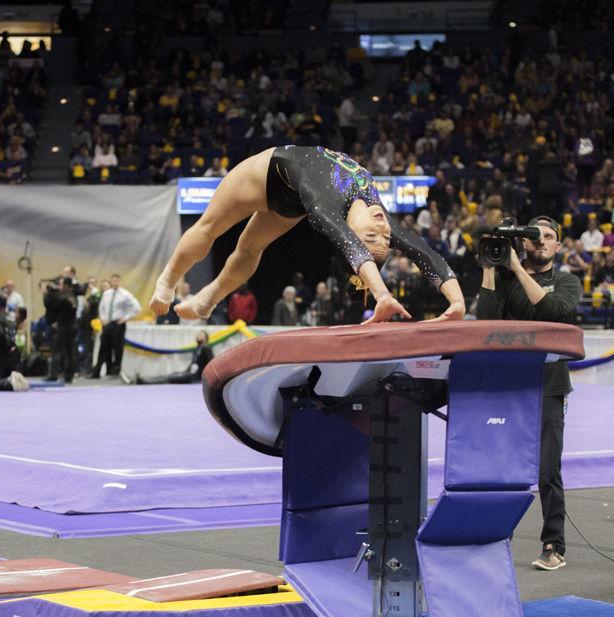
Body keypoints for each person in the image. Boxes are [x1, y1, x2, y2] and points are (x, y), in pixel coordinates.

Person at [150, 146, 465, 325]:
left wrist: (456, 305)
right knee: (210, 228)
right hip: (264, 173)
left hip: (295, 197)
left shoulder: (327, 209)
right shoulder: (377, 217)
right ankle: (166, 281)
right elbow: (423, 252)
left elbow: (355, 248)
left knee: (248, 250)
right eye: (384, 238)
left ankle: (206, 300)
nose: (384, 233)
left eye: (375, 238)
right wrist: (455, 299)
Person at [476, 215, 582, 571]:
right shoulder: (505, 281)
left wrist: (518, 270)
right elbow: (487, 320)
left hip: (550, 387)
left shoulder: (567, 281)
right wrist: (491, 268)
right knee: (497, 467)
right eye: (535, 236)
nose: (541, 241)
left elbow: (554, 311)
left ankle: (554, 545)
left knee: (547, 471)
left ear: (557, 245)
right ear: (522, 242)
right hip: (510, 385)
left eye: (548, 236)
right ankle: (489, 538)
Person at [122, 330, 214, 385]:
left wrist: (205, 378)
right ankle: (145, 379)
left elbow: (211, 363)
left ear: (206, 338)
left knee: (170, 378)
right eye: (198, 334)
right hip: (190, 373)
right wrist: (186, 371)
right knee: (171, 375)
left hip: (195, 376)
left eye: (201, 335)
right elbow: (194, 363)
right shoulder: (197, 347)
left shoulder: (206, 348)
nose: (198, 336)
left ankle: (146, 382)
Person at [92, 274, 140, 377]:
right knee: (104, 347)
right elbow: (102, 307)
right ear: (111, 281)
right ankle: (99, 370)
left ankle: (116, 371)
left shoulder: (125, 294)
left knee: (118, 349)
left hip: (118, 323)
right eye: (113, 281)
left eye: (117, 281)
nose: (115, 283)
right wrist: (103, 319)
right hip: (107, 323)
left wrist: (126, 317)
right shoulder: (107, 294)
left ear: (120, 281)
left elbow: (136, 307)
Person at [0, 294, 29, 392]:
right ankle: (12, 379)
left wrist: (6, 345)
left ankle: (9, 382)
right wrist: (11, 346)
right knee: (0, 379)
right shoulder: (10, 317)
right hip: (11, 356)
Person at [44, 277, 78, 383]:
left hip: (63, 327)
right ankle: (69, 375)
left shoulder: (63, 298)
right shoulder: (72, 297)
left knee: (57, 351)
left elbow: (50, 305)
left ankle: (53, 374)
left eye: (61, 284)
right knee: (70, 352)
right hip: (72, 327)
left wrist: (49, 292)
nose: (59, 286)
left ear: (66, 285)